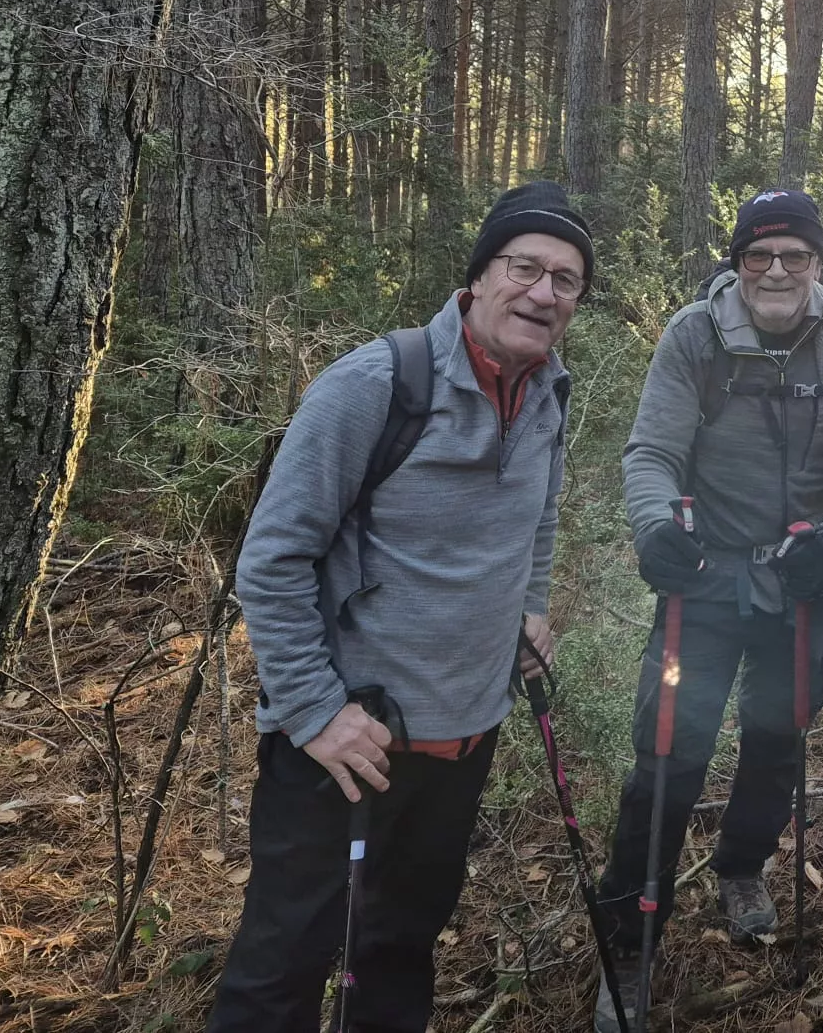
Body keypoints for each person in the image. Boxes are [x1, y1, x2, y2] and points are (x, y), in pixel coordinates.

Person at [208, 182, 595, 1033]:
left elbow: (540, 518)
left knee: (398, 949)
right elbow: (271, 558)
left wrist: (526, 609)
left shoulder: (549, 392)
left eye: (566, 280)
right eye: (525, 266)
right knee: (283, 966)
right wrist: (316, 713)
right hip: (344, 745)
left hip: (463, 736)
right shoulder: (377, 383)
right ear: (480, 275)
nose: (543, 293)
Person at [593, 189, 823, 1031]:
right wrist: (653, 527)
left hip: (803, 582)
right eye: (759, 256)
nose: (777, 270)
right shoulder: (695, 336)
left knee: (779, 729)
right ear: (737, 264)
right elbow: (652, 449)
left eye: (795, 255)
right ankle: (627, 938)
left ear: (819, 264)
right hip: (704, 581)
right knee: (669, 747)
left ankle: (742, 864)